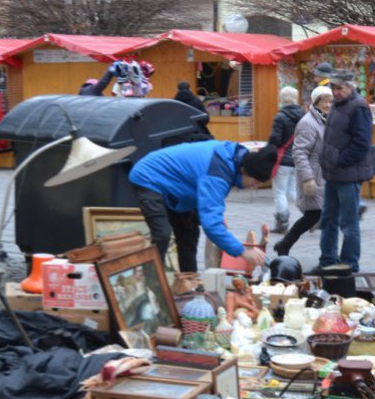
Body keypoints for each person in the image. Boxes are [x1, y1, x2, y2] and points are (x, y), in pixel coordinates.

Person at [128, 140, 273, 274]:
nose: (255, 187)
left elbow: (212, 205)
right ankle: (151, 283)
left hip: (177, 186)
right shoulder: (218, 173)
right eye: (255, 181)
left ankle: (189, 284)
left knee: (189, 234)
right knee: (162, 235)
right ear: (244, 170)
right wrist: (242, 251)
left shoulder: (232, 160)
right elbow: (211, 226)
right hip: (149, 177)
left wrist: (217, 221)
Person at [317, 69, 373, 273]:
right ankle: (328, 261)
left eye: (339, 88)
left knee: (349, 223)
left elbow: (361, 143)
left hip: (348, 174)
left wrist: (340, 161)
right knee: (328, 220)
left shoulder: (358, 107)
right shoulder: (337, 106)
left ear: (351, 86)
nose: (335, 92)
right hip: (333, 173)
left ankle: (349, 264)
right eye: (333, 88)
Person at [274, 86, 332, 257]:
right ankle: (285, 244)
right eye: (324, 101)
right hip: (313, 175)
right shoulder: (308, 123)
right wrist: (308, 178)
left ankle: (285, 244)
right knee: (313, 215)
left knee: (315, 215)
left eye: (330, 101)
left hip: (322, 173)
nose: (328, 104)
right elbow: (299, 152)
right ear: (316, 102)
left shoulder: (323, 119)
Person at [268, 86, 305, 233]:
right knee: (293, 190)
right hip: (298, 157)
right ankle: (313, 214)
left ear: (282, 99)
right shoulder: (303, 116)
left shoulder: (280, 117)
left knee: (279, 192)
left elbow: (275, 139)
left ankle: (282, 223)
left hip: (282, 159)